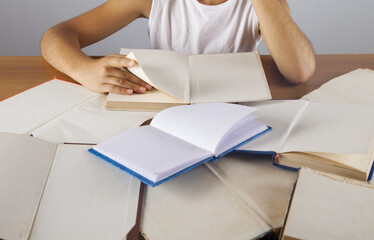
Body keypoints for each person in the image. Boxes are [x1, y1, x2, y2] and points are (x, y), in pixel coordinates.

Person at [41, 0, 315, 95]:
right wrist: (84, 69)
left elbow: (299, 71)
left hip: (232, 115)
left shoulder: (261, 6)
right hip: (163, 114)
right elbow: (57, 36)